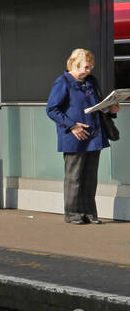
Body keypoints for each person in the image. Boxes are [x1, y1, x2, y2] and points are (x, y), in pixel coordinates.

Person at [46, 48, 117, 225]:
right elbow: (52, 109)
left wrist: (110, 108)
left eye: (91, 67)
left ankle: (90, 213)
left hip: (94, 135)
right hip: (75, 135)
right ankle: (73, 213)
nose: (89, 71)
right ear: (74, 64)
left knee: (90, 177)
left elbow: (97, 104)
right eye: (86, 67)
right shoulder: (63, 82)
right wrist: (71, 125)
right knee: (74, 177)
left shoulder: (91, 81)